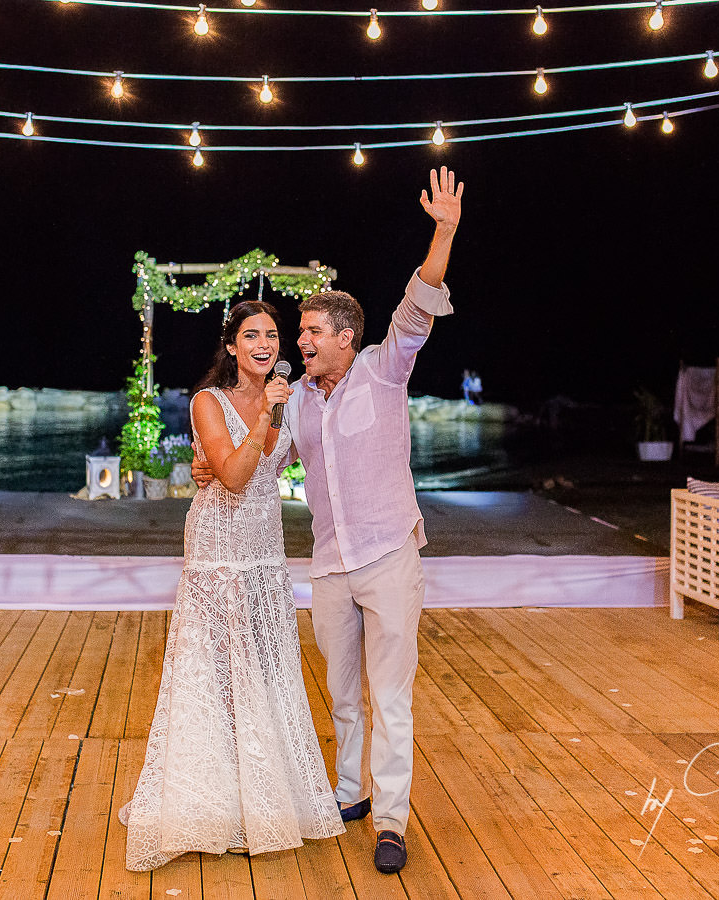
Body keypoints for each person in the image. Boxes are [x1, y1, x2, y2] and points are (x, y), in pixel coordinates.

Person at [198, 167, 465, 874]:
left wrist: (443, 229)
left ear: (347, 337)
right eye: (302, 331)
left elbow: (419, 301)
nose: (301, 340)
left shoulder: (385, 368)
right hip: (331, 564)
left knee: (391, 696)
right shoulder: (299, 403)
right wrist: (210, 464)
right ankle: (349, 792)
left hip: (388, 555)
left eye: (313, 330)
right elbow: (253, 461)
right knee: (343, 693)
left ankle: (392, 819)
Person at [119, 300, 344, 872]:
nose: (265, 344)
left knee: (265, 672)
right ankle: (210, 804)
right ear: (233, 346)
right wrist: (262, 420)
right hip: (217, 555)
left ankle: (264, 802)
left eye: (272, 335)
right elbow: (238, 477)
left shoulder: (282, 403)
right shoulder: (208, 402)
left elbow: (292, 460)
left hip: (265, 555)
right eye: (252, 335)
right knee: (217, 672)